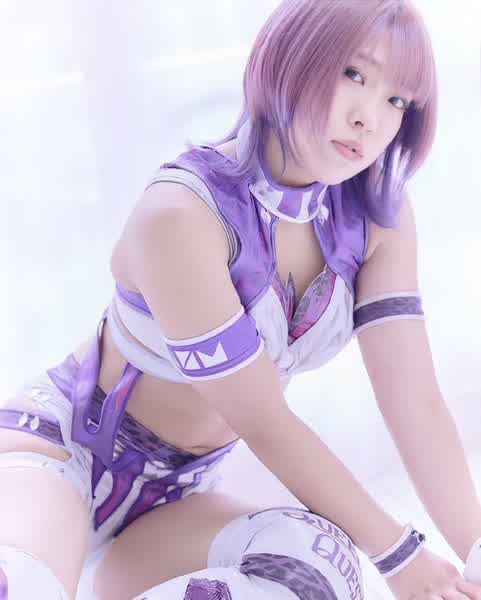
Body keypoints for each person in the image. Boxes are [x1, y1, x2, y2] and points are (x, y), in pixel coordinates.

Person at [1, 0, 481, 598]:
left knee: (319, 568)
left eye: (397, 101)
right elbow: (262, 419)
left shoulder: (375, 219)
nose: (370, 118)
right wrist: (402, 556)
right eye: (355, 74)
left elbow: (415, 402)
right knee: (22, 584)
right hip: (59, 458)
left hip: (174, 503)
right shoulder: (181, 213)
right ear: (292, 55)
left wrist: (477, 552)